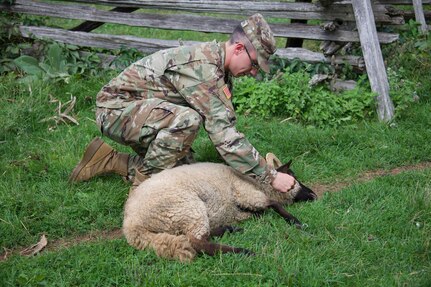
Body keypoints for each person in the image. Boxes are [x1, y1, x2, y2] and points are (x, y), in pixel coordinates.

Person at [69, 13, 295, 193]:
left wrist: (248, 168)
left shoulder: (219, 70)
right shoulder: (203, 68)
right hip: (115, 111)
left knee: (185, 174)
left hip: (142, 113)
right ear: (238, 49)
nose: (254, 72)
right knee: (188, 120)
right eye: (255, 64)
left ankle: (107, 159)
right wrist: (270, 177)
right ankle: (143, 189)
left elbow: (226, 125)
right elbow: (223, 136)